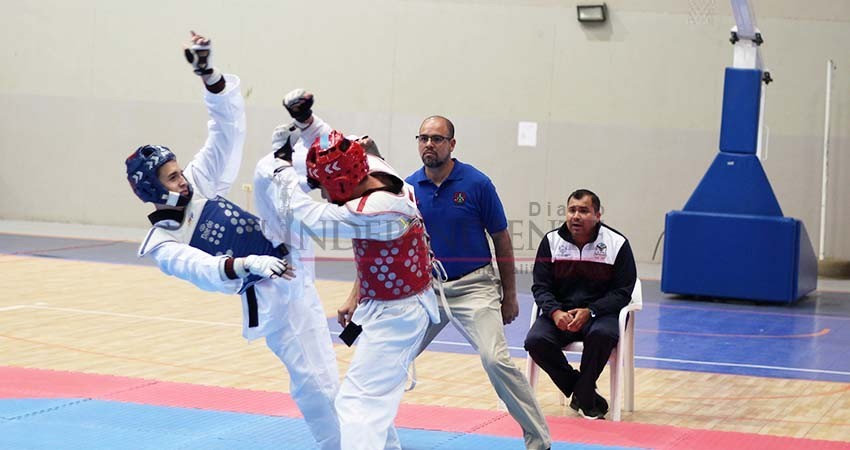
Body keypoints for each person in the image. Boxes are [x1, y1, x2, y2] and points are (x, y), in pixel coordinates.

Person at [124, 32, 340, 449]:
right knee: (317, 387)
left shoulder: (200, 183)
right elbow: (202, 271)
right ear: (152, 191)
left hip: (291, 250)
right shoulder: (163, 244)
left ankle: (305, 150)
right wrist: (246, 266)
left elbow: (226, 129)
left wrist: (209, 76)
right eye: (171, 177)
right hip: (273, 295)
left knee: (266, 169)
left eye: (178, 170)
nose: (182, 178)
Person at [260, 130, 439, 450]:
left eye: (325, 188)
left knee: (358, 405)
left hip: (399, 315)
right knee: (373, 401)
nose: (324, 195)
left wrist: (281, 166)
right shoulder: (378, 170)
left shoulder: (372, 211)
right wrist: (308, 123)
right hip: (391, 303)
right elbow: (337, 149)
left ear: (344, 183)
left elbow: (304, 214)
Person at [406, 116, 551, 450]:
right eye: (424, 138)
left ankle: (539, 441)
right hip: (429, 290)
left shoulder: (477, 184)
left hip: (476, 287)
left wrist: (510, 295)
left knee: (495, 359)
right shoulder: (409, 187)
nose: (429, 144)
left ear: (452, 144)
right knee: (391, 357)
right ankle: (374, 436)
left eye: (437, 139)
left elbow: (501, 239)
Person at [523, 189, 637, 420]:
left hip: (600, 314)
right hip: (560, 313)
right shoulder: (551, 241)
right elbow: (540, 287)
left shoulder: (617, 243)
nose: (576, 216)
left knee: (603, 336)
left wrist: (591, 311)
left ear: (598, 215)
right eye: (572, 210)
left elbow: (624, 291)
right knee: (535, 341)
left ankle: (583, 393)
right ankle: (583, 393)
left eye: (584, 211)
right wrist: (555, 312)